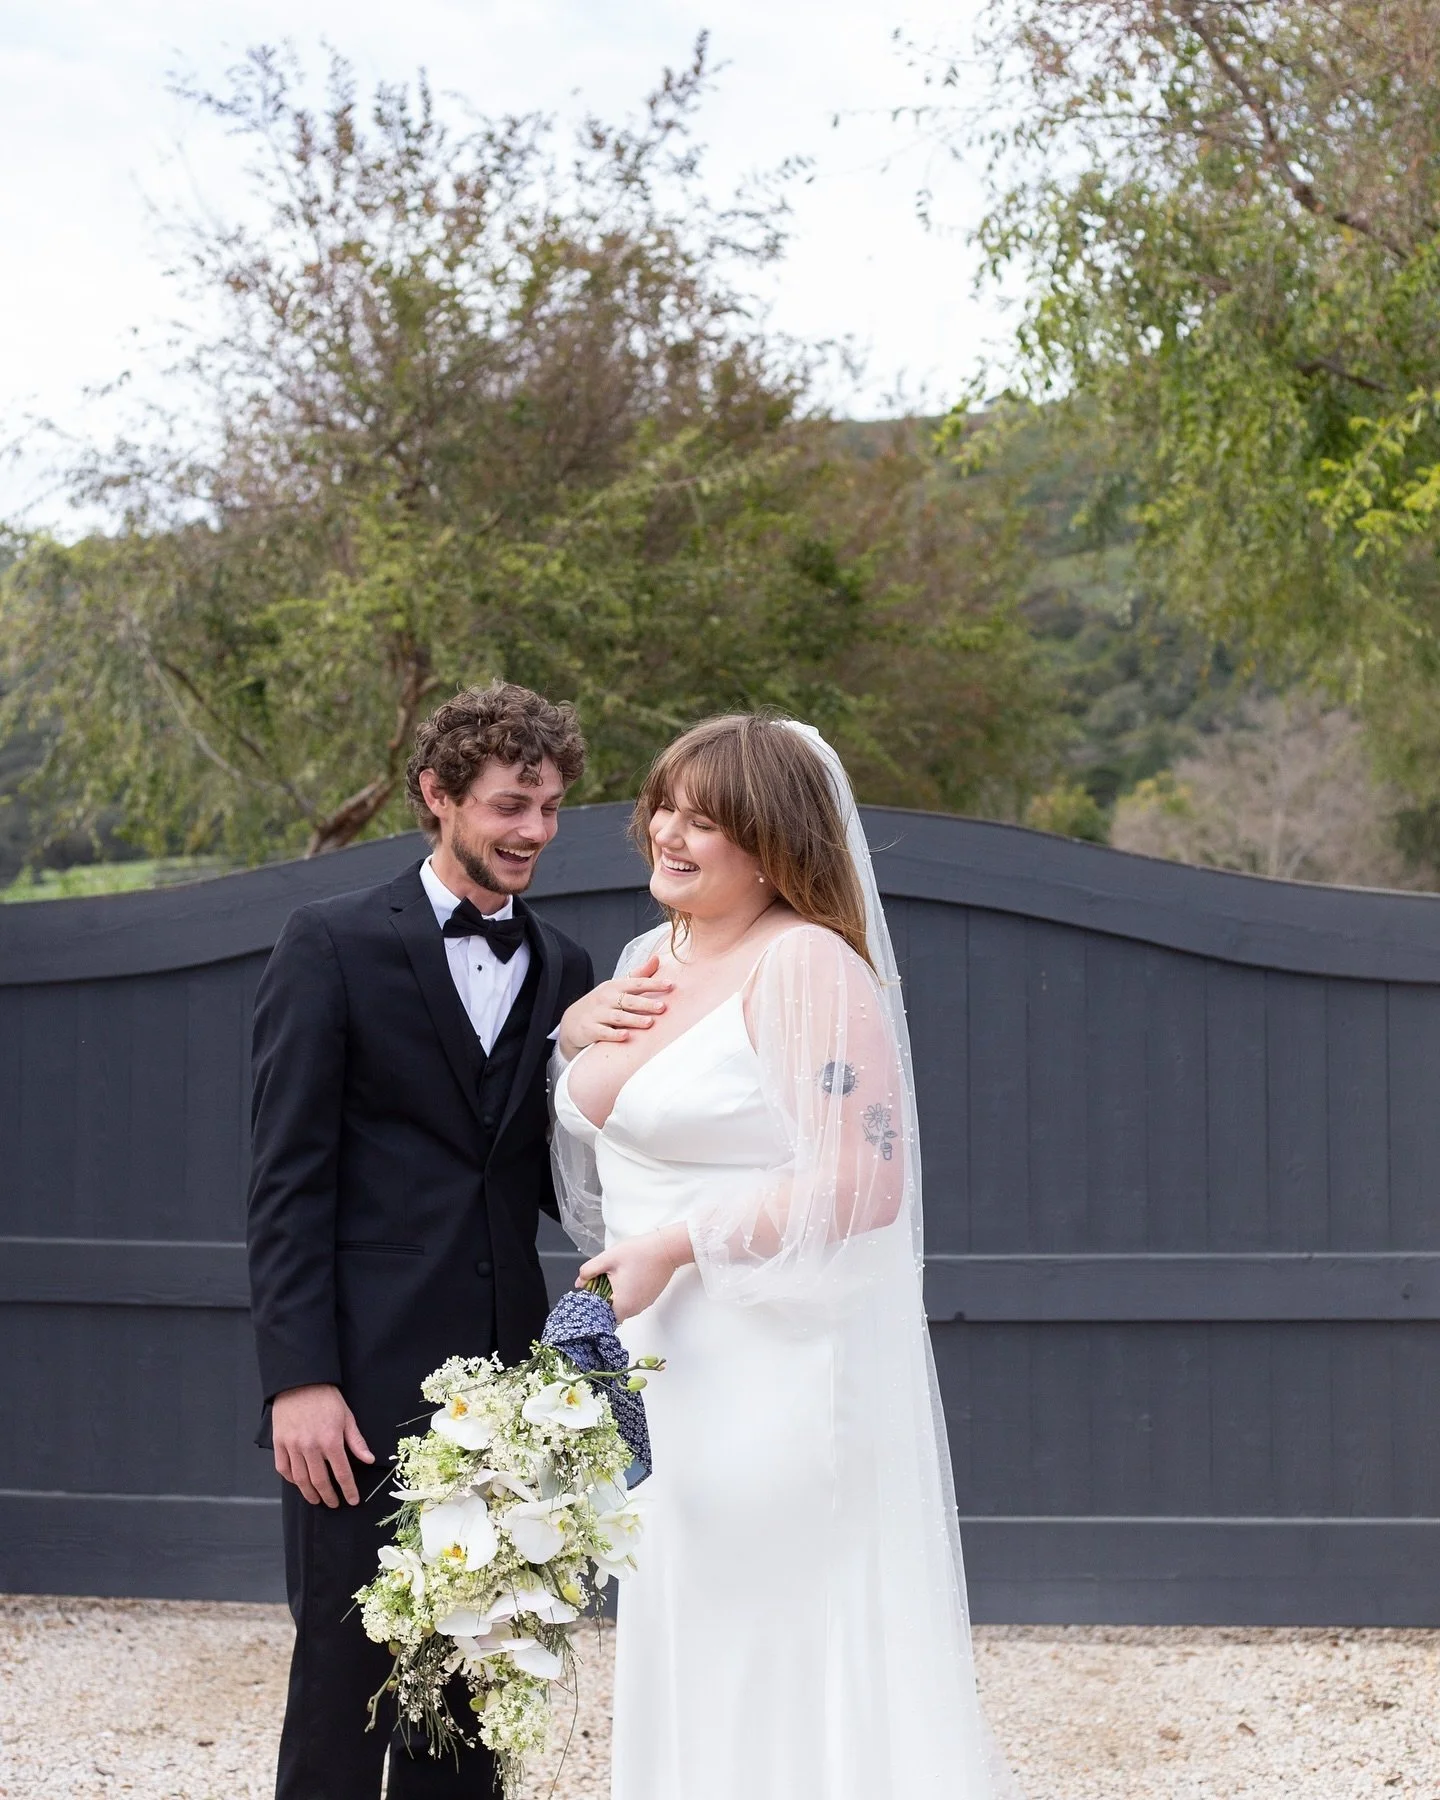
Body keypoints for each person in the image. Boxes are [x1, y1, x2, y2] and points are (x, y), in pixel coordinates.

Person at [550, 712, 1017, 1800]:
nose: (670, 830)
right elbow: (612, 1123)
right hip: (665, 1370)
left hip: (770, 1364)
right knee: (684, 1613)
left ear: (773, 844)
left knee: (766, 1634)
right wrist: (574, 1029)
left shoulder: (807, 965)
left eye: (706, 819)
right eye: (666, 802)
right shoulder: (644, 960)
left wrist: (675, 1244)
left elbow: (863, 1181)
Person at [247, 682, 612, 1800]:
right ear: (437, 795)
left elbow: (564, 1178)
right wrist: (298, 1379)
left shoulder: (565, 969)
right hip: (354, 1386)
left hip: (505, 1393)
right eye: (511, 805)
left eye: (549, 808)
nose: (534, 833)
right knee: (345, 1676)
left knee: (473, 1686)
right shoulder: (332, 943)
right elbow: (286, 1182)